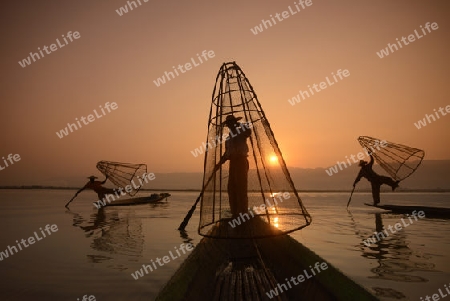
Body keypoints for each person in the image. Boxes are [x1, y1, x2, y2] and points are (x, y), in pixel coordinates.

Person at [217, 115, 252, 217]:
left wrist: (239, 124)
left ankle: (243, 212)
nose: (230, 125)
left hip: (241, 161)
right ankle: (235, 212)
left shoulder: (241, 132)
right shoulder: (228, 138)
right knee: (231, 187)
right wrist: (219, 163)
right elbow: (227, 153)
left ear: (235, 123)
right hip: (233, 163)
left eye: (232, 123)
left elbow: (248, 132)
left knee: (241, 186)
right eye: (229, 124)